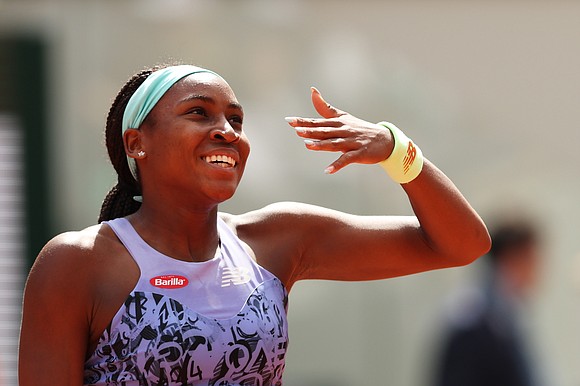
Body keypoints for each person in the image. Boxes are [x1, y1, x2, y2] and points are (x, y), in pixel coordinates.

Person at [18, 63, 491, 385]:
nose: (227, 130)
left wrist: (395, 148)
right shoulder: (77, 262)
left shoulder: (279, 241)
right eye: (198, 112)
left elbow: (460, 244)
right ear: (137, 142)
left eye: (236, 119)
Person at [431, 217, 543, 386]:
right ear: (514, 257)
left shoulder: (504, 314)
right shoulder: (473, 320)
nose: (538, 269)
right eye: (532, 258)